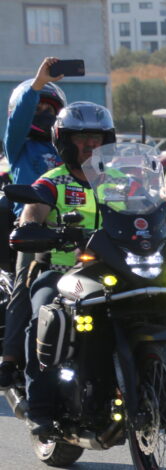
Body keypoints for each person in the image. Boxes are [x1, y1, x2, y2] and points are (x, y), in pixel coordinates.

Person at [17, 102, 115, 436]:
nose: (90, 146)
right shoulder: (52, 182)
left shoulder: (118, 181)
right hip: (61, 273)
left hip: (113, 272)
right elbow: (32, 214)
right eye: (82, 138)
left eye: (97, 138)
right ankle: (40, 409)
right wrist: (36, 229)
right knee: (44, 317)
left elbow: (150, 207)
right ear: (64, 141)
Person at [0, 58, 67, 389]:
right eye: (37, 107)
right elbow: (18, 121)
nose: (43, 112)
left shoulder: (68, 150)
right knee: (24, 289)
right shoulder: (19, 148)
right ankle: (10, 360)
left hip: (72, 227)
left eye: (48, 108)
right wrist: (37, 85)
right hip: (32, 230)